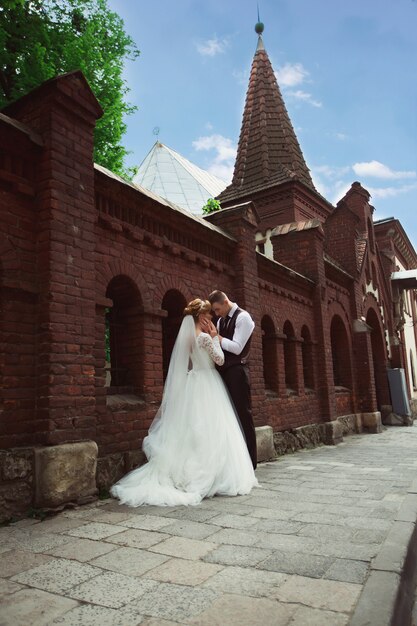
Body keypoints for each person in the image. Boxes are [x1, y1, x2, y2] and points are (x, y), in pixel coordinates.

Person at [110, 298, 258, 507]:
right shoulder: (206, 337)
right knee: (210, 429)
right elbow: (220, 360)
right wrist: (215, 337)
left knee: (192, 429)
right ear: (201, 316)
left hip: (194, 380)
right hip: (208, 382)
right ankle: (208, 474)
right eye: (209, 314)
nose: (212, 317)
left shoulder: (188, 336)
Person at [208, 291, 257, 469]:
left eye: (217, 309)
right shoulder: (221, 321)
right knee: (229, 416)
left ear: (226, 302)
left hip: (238, 372)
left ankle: (251, 462)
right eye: (214, 311)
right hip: (223, 372)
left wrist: (217, 338)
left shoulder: (243, 317)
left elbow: (237, 348)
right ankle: (236, 461)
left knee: (244, 415)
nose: (216, 314)